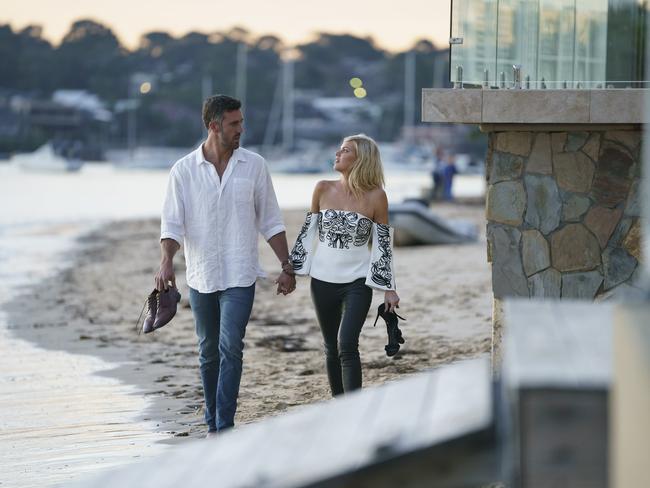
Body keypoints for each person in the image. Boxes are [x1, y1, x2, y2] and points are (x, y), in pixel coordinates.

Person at [154, 94, 296, 436]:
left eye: (241, 122)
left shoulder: (255, 166)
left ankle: (224, 426)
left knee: (231, 345)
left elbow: (271, 221)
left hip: (240, 272)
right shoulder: (183, 171)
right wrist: (166, 263)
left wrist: (287, 265)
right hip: (201, 274)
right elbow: (172, 225)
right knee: (208, 351)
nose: (241, 129)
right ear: (213, 126)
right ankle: (212, 420)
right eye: (234, 123)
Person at [289, 134, 400, 396]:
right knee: (331, 347)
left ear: (360, 159)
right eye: (339, 149)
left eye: (345, 150)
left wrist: (389, 288)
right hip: (322, 281)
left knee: (347, 344)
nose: (337, 154)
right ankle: (339, 407)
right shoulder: (322, 188)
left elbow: (382, 245)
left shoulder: (376, 197)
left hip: (357, 282)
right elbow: (307, 234)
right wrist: (290, 272)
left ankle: (354, 409)